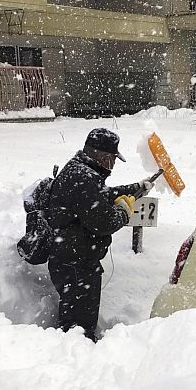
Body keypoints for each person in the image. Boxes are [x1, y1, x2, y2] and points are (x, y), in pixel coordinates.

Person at [46, 128, 154, 341]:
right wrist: (124, 211)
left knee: (75, 323)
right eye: (113, 159)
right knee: (78, 329)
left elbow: (103, 196)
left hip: (72, 261)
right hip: (76, 266)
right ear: (103, 157)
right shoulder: (84, 178)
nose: (113, 165)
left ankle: (74, 353)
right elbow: (104, 222)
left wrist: (136, 188)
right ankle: (77, 360)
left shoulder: (80, 171)